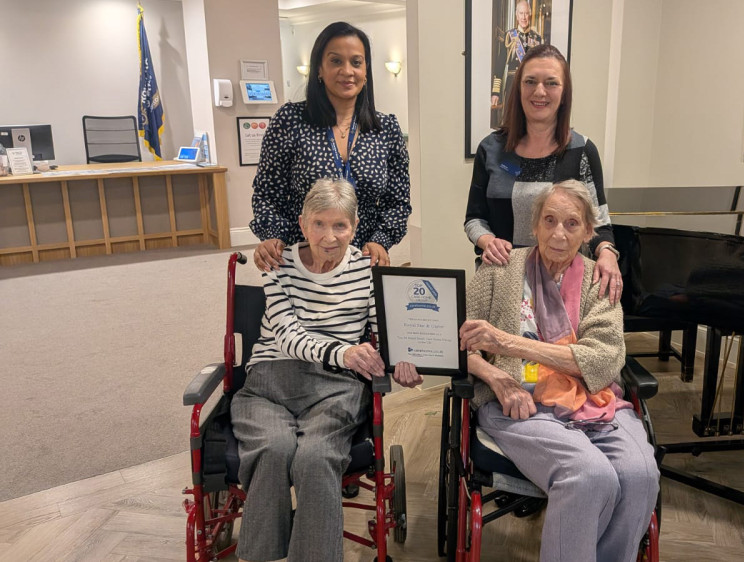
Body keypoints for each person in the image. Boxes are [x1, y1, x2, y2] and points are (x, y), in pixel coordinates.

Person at [459, 180, 660, 562]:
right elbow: (458, 342)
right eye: (549, 220)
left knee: (640, 476)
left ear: (588, 232)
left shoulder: (600, 281)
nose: (558, 233)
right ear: (533, 226)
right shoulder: (499, 269)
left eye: (571, 224)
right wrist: (496, 376)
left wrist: (507, 343)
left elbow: (602, 360)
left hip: (595, 403)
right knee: (589, 474)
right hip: (519, 404)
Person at [232, 178, 422, 562]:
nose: (330, 236)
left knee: (316, 457)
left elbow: (382, 329)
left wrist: (403, 356)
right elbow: (287, 335)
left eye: (341, 225)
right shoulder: (278, 264)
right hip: (270, 379)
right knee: (272, 448)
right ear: (302, 224)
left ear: (355, 227)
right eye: (319, 223)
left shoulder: (366, 269)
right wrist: (345, 353)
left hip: (335, 389)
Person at [467, 44, 625, 304]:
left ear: (564, 93)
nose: (539, 91)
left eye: (551, 83)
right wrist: (488, 241)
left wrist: (607, 252)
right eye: (530, 81)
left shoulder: (582, 150)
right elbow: (474, 219)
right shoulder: (491, 149)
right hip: (504, 282)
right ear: (518, 89)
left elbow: (599, 222)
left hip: (565, 288)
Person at [250, 21, 410, 272]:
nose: (347, 71)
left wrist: (381, 240)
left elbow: (398, 201)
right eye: (336, 61)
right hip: (303, 260)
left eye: (356, 62)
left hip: (363, 261)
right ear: (319, 70)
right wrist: (273, 236)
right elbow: (268, 193)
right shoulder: (290, 120)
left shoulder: (386, 129)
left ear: (366, 71)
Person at [491, 0, 544, 128]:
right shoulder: (509, 36)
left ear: (530, 14)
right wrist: (496, 92)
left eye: (526, 13)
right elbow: (500, 65)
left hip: (531, 85)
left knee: (528, 122)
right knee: (510, 122)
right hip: (512, 84)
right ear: (516, 15)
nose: (524, 17)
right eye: (521, 13)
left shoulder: (537, 38)